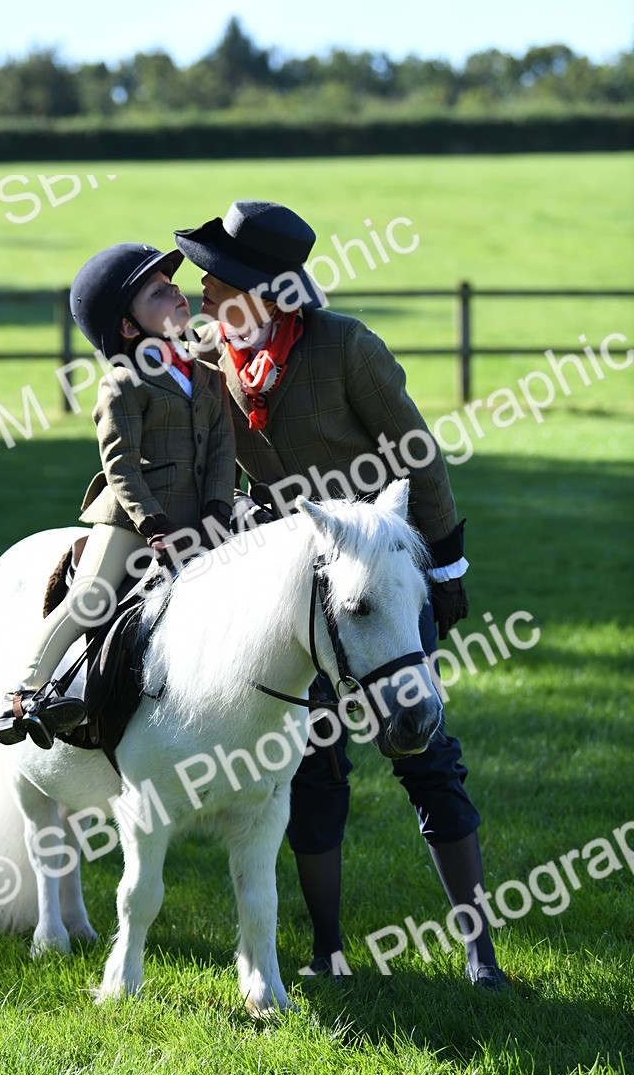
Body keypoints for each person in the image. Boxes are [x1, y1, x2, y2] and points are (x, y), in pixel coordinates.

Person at [174, 200, 510, 990]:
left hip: (383, 575)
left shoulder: (346, 346)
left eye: (217, 284)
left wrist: (448, 569)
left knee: (426, 754)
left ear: (264, 291)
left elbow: (418, 454)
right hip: (294, 594)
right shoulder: (213, 359)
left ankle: (481, 955)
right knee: (314, 764)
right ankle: (327, 954)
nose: (203, 296)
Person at [0, 242, 237, 750]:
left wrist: (218, 506)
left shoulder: (208, 376)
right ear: (129, 327)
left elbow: (221, 450)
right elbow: (120, 467)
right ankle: (25, 694)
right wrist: (152, 524)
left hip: (203, 512)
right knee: (92, 595)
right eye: (157, 291)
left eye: (173, 285)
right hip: (132, 518)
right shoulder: (123, 384)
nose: (176, 291)